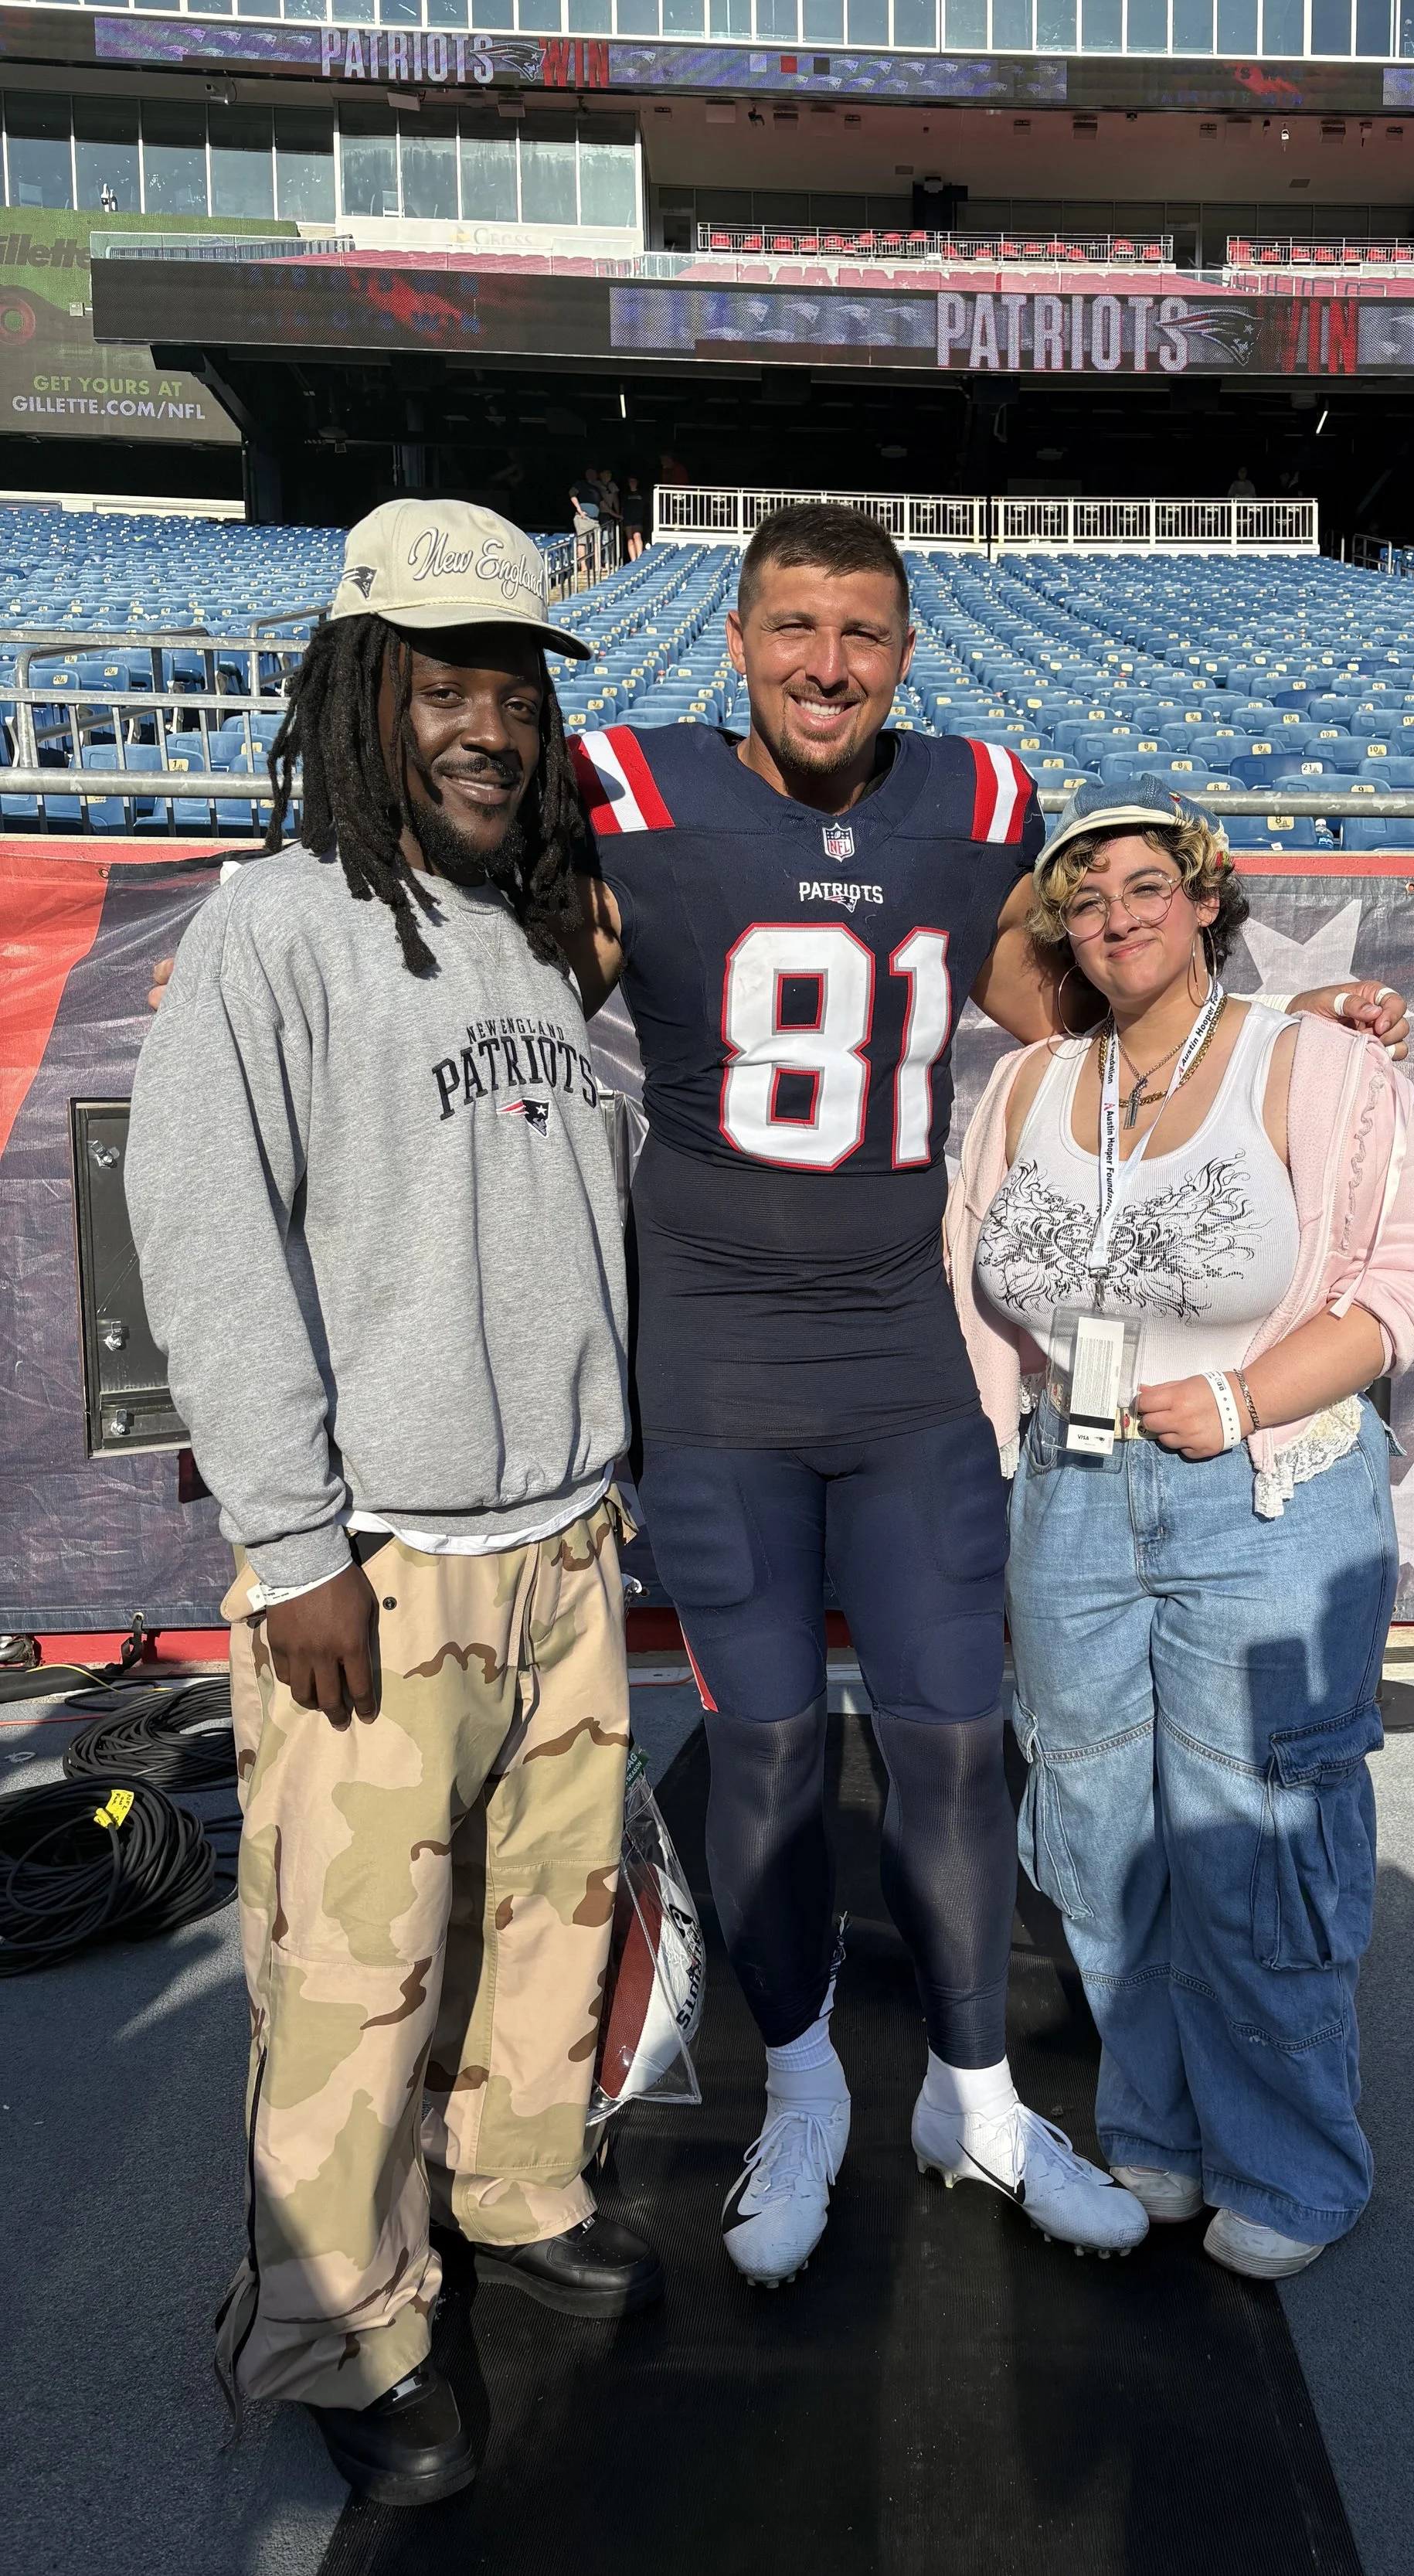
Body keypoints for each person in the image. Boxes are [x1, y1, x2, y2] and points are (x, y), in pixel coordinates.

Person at [557, 502, 1412, 2291]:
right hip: (715, 1346)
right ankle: (803, 2089)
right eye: (792, 626)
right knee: (774, 1745)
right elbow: (503, 950)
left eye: (862, 633)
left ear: (906, 651)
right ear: (732, 635)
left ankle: (978, 2093)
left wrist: (1284, 1029)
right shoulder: (623, 785)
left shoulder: (975, 799)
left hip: (895, 1347)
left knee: (957, 1739)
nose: (825, 663)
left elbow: (1071, 1011)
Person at [125, 501, 659, 2510]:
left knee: (548, 1916)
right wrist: (296, 1540)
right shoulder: (271, 923)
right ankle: (338, 2319)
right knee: (350, 1973)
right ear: (365, 689)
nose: (488, 720)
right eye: (445, 679)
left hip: (560, 1541)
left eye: (511, 682)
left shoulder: (534, 920)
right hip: (381, 1565)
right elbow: (204, 1237)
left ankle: (515, 2190)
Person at [946, 779, 1414, 2283]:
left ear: (1205, 899)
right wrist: (993, 1473)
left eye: (1142, 883)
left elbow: (1408, 1284)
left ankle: (1292, 2158)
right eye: (1084, 895)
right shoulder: (1028, 1084)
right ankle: (1155, 2122)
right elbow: (979, 1302)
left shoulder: (1318, 1064)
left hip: (1266, 1488)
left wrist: (1241, 1394)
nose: (1114, 912)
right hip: (1067, 1489)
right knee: (1095, 1828)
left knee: (1257, 1827)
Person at [622, 471, 649, 560]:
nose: (632, 483)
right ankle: (633, 560)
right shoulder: (625, 494)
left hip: (638, 518)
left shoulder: (642, 493)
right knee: (630, 539)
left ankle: (640, 558)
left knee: (637, 536)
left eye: (634, 481)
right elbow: (622, 506)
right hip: (628, 518)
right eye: (630, 481)